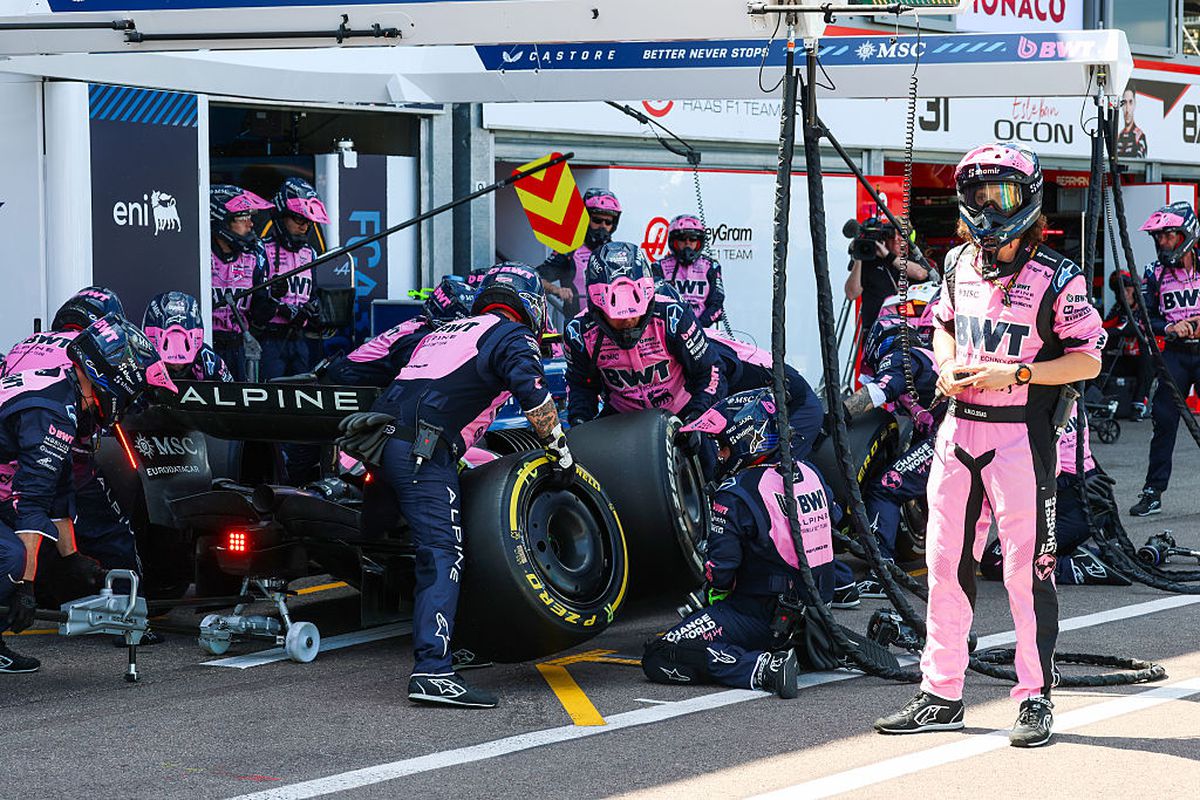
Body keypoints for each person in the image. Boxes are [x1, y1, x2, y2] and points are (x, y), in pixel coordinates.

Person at [874, 143, 1105, 748]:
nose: (984, 204)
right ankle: (941, 691)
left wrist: (1021, 374)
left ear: (1024, 199)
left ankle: (1034, 698)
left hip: (1021, 436)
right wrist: (946, 367)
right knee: (946, 564)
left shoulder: (1059, 275)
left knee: (1027, 572)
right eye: (975, 192)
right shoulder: (954, 263)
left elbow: (1089, 359)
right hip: (957, 429)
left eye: (997, 193)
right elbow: (943, 327)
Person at [352, 263, 571, 708]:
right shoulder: (511, 334)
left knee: (417, 541)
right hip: (423, 447)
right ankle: (433, 671)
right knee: (443, 553)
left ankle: (454, 642)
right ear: (531, 305)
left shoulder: (448, 329)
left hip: (378, 441)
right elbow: (534, 395)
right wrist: (561, 451)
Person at [1, 315, 177, 673]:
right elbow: (31, 505)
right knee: (11, 559)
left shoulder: (65, 393)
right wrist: (26, 589)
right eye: (135, 390)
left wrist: (70, 557)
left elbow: (59, 483)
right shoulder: (53, 411)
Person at [641, 388, 840, 697]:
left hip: (763, 614)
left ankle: (763, 669)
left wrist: (708, 599)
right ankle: (801, 647)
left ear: (748, 438)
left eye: (723, 446)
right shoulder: (809, 471)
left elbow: (720, 571)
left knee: (663, 652)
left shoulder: (735, 491)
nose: (720, 455)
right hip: (815, 608)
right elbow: (835, 519)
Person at [0, 288, 150, 608]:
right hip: (46, 449)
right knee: (110, 532)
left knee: (34, 528)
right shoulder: (87, 364)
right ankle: (128, 608)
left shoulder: (28, 342)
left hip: (16, 458)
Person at [563, 241, 723, 428]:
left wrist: (697, 417)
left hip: (683, 411)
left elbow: (709, 370)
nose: (628, 322)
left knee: (708, 454)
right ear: (598, 308)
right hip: (623, 419)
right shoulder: (578, 332)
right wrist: (580, 421)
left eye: (634, 314)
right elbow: (582, 385)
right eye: (618, 317)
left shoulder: (674, 315)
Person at [845, 300, 942, 593]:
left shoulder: (901, 356)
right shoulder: (926, 356)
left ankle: (882, 574)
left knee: (886, 488)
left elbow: (877, 391)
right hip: (961, 434)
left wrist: (833, 416)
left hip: (952, 436)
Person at [979, 402, 1128, 587]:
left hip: (1071, 503)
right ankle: (1098, 554)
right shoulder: (1071, 397)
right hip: (1086, 500)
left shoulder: (1037, 405)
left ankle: (1076, 567)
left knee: (995, 563)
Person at [1129, 202, 1200, 517]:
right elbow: (1144, 318)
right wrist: (1170, 326)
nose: (1162, 243)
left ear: (1186, 234)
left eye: (1168, 236)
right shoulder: (1153, 272)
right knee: (1164, 419)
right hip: (1174, 354)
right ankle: (1152, 492)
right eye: (1158, 237)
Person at [322, 276, 476, 387]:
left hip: (348, 372)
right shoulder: (421, 337)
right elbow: (411, 379)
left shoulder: (421, 322)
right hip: (346, 381)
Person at [254, 178, 330, 380]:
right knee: (270, 392)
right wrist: (279, 305)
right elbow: (254, 306)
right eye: (298, 219)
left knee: (304, 390)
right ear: (281, 216)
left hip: (300, 340)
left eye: (308, 221)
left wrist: (315, 308)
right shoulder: (261, 250)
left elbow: (312, 294)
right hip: (270, 340)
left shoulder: (310, 253)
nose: (305, 225)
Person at [210, 184, 272, 380]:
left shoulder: (256, 258)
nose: (250, 224)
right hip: (206, 347)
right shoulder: (199, 256)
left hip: (238, 348)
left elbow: (260, 317)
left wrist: (273, 299)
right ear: (222, 221)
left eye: (250, 217)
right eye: (243, 218)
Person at [845, 217, 931, 349]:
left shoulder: (914, 258)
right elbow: (851, 293)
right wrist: (859, 256)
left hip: (911, 334)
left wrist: (887, 256)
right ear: (884, 237)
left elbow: (921, 274)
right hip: (877, 336)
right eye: (892, 234)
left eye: (902, 234)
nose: (897, 239)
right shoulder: (871, 261)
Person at [538, 188, 621, 319]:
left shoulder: (618, 253)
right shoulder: (569, 251)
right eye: (597, 220)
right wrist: (557, 290)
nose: (603, 226)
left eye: (608, 222)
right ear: (585, 219)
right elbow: (536, 277)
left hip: (611, 326)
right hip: (578, 327)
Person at [143, 291, 234, 382]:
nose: (177, 367)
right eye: (169, 364)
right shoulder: (140, 361)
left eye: (183, 364)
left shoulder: (209, 361)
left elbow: (231, 393)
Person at [655, 214, 726, 328]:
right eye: (682, 239)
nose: (688, 243)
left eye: (692, 239)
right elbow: (655, 303)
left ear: (699, 242)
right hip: (670, 330)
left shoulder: (711, 266)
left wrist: (699, 326)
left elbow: (717, 303)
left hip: (704, 330)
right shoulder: (659, 267)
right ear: (674, 241)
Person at [1102, 270, 1152, 419]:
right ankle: (1096, 400)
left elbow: (1133, 328)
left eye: (1127, 289)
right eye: (1120, 290)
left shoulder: (1146, 308)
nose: (1124, 293)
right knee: (1101, 354)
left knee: (1146, 357)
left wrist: (1118, 329)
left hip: (1148, 361)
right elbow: (1103, 329)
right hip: (1125, 359)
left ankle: (1139, 404)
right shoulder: (1118, 308)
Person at [1116, 88, 1148, 160]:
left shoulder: (1139, 136)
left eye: (1130, 102)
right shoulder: (1119, 136)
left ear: (1135, 105)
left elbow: (1140, 165)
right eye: (1124, 103)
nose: (1127, 109)